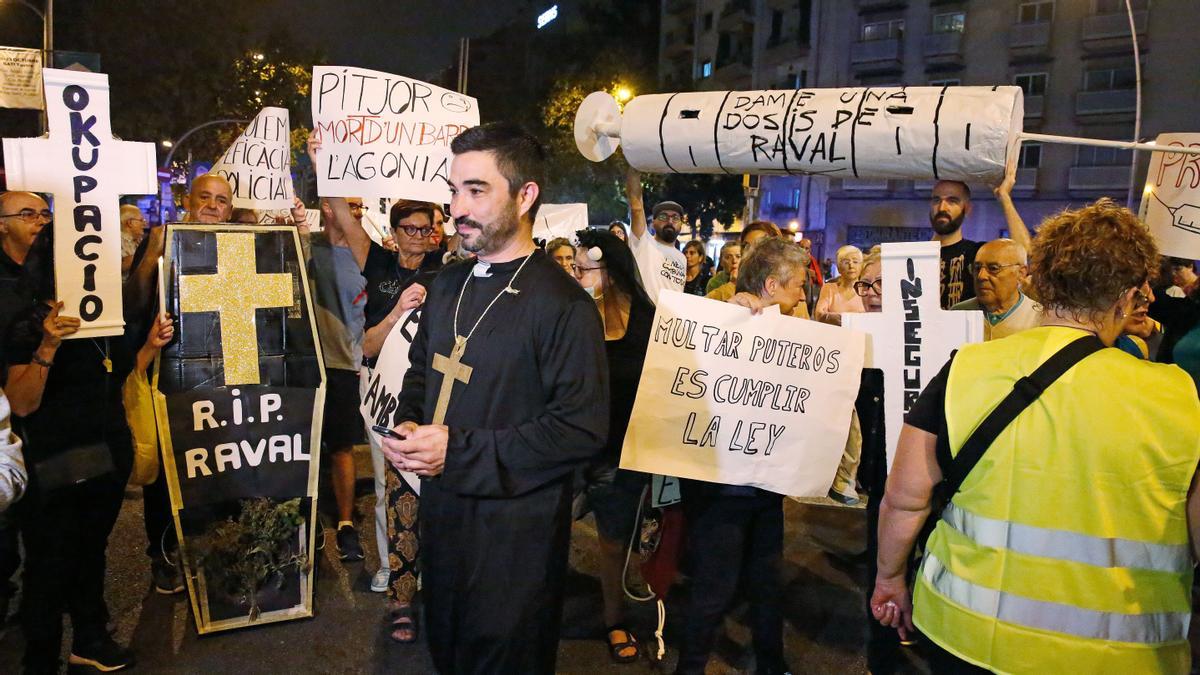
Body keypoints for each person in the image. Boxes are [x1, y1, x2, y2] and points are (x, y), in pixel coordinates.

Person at [873, 199, 1200, 674]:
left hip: (964, 633)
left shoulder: (968, 368)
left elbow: (904, 499)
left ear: (1039, 282)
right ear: (1128, 297)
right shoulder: (1177, 396)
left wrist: (889, 579)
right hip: (1121, 653)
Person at [380, 122, 608, 673]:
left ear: (525, 195)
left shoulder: (563, 304)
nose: (457, 207)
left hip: (516, 537)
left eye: (476, 191)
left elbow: (580, 428)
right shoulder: (449, 285)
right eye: (455, 189)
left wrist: (456, 450)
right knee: (449, 650)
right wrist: (409, 424)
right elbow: (421, 373)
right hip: (446, 517)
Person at [5, 225, 174, 673]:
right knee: (49, 563)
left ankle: (89, 639)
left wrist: (149, 348)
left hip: (106, 453)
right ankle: (40, 659)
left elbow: (118, 373)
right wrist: (48, 344)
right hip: (54, 458)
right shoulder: (26, 319)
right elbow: (22, 401)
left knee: (91, 550)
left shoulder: (106, 315)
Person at [675, 237, 808, 675]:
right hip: (723, 490)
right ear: (772, 284)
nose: (803, 294)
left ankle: (772, 664)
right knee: (715, 585)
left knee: (767, 584)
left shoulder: (793, 331)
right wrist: (733, 315)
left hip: (765, 486)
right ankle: (690, 667)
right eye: (798, 286)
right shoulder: (728, 321)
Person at [572, 228, 655, 663]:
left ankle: (614, 619)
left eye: (584, 268)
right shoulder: (569, 312)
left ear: (611, 268)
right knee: (542, 530)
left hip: (621, 448)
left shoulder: (646, 316)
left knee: (612, 541)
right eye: (575, 266)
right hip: (566, 446)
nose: (576, 273)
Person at [951, 238, 1042, 340]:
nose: (981, 276)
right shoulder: (958, 313)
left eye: (993, 268)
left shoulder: (1039, 317)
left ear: (1021, 273)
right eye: (977, 268)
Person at [625, 167, 686, 303]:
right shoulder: (643, 242)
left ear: (681, 224)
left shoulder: (682, 258)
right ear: (653, 222)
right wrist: (634, 167)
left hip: (669, 321)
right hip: (645, 317)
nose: (670, 221)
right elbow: (636, 208)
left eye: (675, 217)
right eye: (664, 216)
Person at [707, 221, 780, 294]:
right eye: (746, 246)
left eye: (758, 246)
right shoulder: (729, 284)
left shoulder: (785, 283)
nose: (749, 251)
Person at [814, 245, 865, 326]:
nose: (851, 266)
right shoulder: (829, 288)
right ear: (838, 267)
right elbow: (819, 315)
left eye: (855, 262)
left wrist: (836, 317)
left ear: (861, 266)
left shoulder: (868, 290)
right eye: (846, 262)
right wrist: (854, 319)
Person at [119, 204, 146, 280]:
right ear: (130, 223)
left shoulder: (139, 240)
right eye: (141, 220)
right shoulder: (115, 242)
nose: (144, 224)